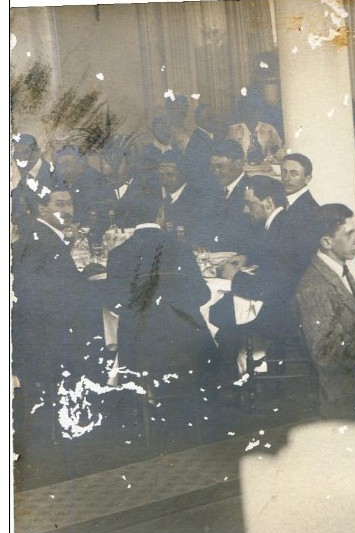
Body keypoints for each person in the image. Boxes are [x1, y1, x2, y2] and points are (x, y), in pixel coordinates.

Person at [104, 194, 214, 386]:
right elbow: (202, 294)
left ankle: (143, 400)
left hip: (138, 342)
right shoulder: (181, 248)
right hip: (182, 337)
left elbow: (115, 302)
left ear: (131, 217)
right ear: (160, 213)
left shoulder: (117, 254)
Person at [11, 189, 99, 395]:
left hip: (30, 334)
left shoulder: (38, 234)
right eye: (59, 205)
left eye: (69, 204)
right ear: (42, 209)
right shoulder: (47, 242)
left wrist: (82, 274)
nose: (67, 210)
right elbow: (68, 296)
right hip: (48, 340)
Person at [294, 204, 355, 418]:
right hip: (344, 393)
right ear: (327, 242)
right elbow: (326, 355)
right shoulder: (314, 288)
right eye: (349, 233)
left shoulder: (338, 270)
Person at [199, 138, 256, 251]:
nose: (215, 172)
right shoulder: (214, 191)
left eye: (220, 166)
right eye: (212, 166)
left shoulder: (251, 191)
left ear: (238, 163)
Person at [157, 155, 207, 238]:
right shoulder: (163, 199)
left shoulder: (197, 199)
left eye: (169, 175)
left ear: (183, 174)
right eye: (161, 176)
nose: (164, 181)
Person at [228, 96, 284, 166]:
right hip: (241, 169)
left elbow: (277, 150)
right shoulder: (234, 130)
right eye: (247, 110)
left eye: (255, 110)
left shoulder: (269, 129)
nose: (251, 114)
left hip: (264, 169)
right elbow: (228, 153)